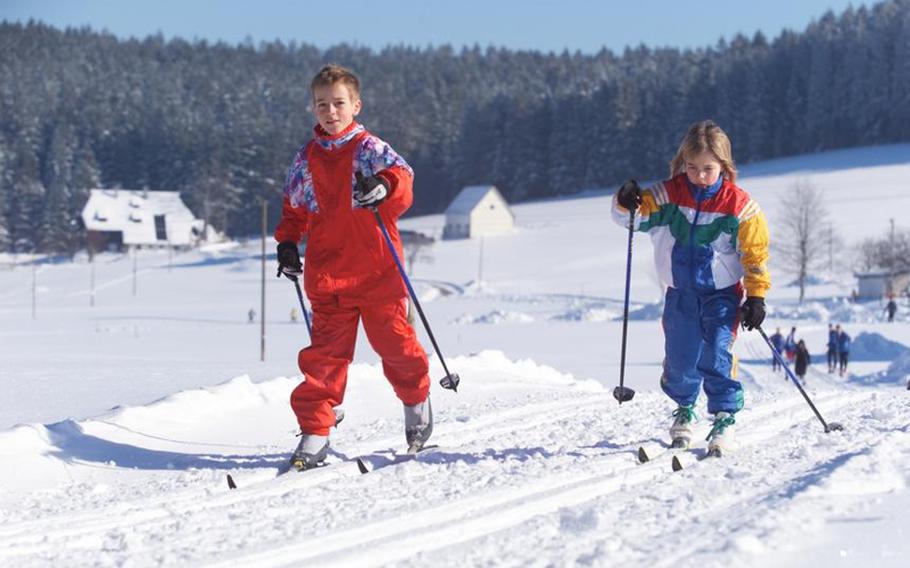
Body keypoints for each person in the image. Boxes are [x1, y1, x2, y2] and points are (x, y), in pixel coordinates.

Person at [274, 64, 431, 471]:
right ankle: (316, 431)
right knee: (324, 359)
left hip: (378, 271)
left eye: (339, 103)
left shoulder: (370, 148)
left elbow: (403, 179)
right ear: (313, 108)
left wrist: (384, 186)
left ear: (355, 105)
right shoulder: (306, 159)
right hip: (329, 276)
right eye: (322, 104)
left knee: (396, 347)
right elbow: (294, 208)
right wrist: (288, 243)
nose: (331, 111)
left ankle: (415, 402)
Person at [612, 120, 770, 456]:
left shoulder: (740, 206)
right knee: (681, 358)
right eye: (692, 167)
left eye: (708, 169)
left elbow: (755, 255)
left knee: (717, 353)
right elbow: (634, 218)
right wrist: (627, 202)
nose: (699, 175)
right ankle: (685, 409)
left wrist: (756, 296)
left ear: (724, 167)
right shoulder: (668, 195)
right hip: (680, 294)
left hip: (722, 295)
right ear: (682, 163)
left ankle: (725, 416)